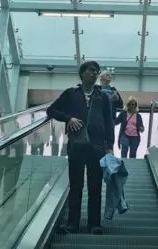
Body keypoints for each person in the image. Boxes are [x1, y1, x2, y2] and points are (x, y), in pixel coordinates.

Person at [46, 60, 114, 234]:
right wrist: (69, 118)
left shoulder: (103, 96)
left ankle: (94, 224)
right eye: (91, 70)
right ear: (82, 73)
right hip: (76, 145)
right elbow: (51, 110)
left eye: (96, 71)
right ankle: (72, 223)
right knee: (76, 184)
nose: (95, 73)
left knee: (95, 186)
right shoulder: (71, 93)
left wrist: (110, 147)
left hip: (97, 147)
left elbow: (109, 122)